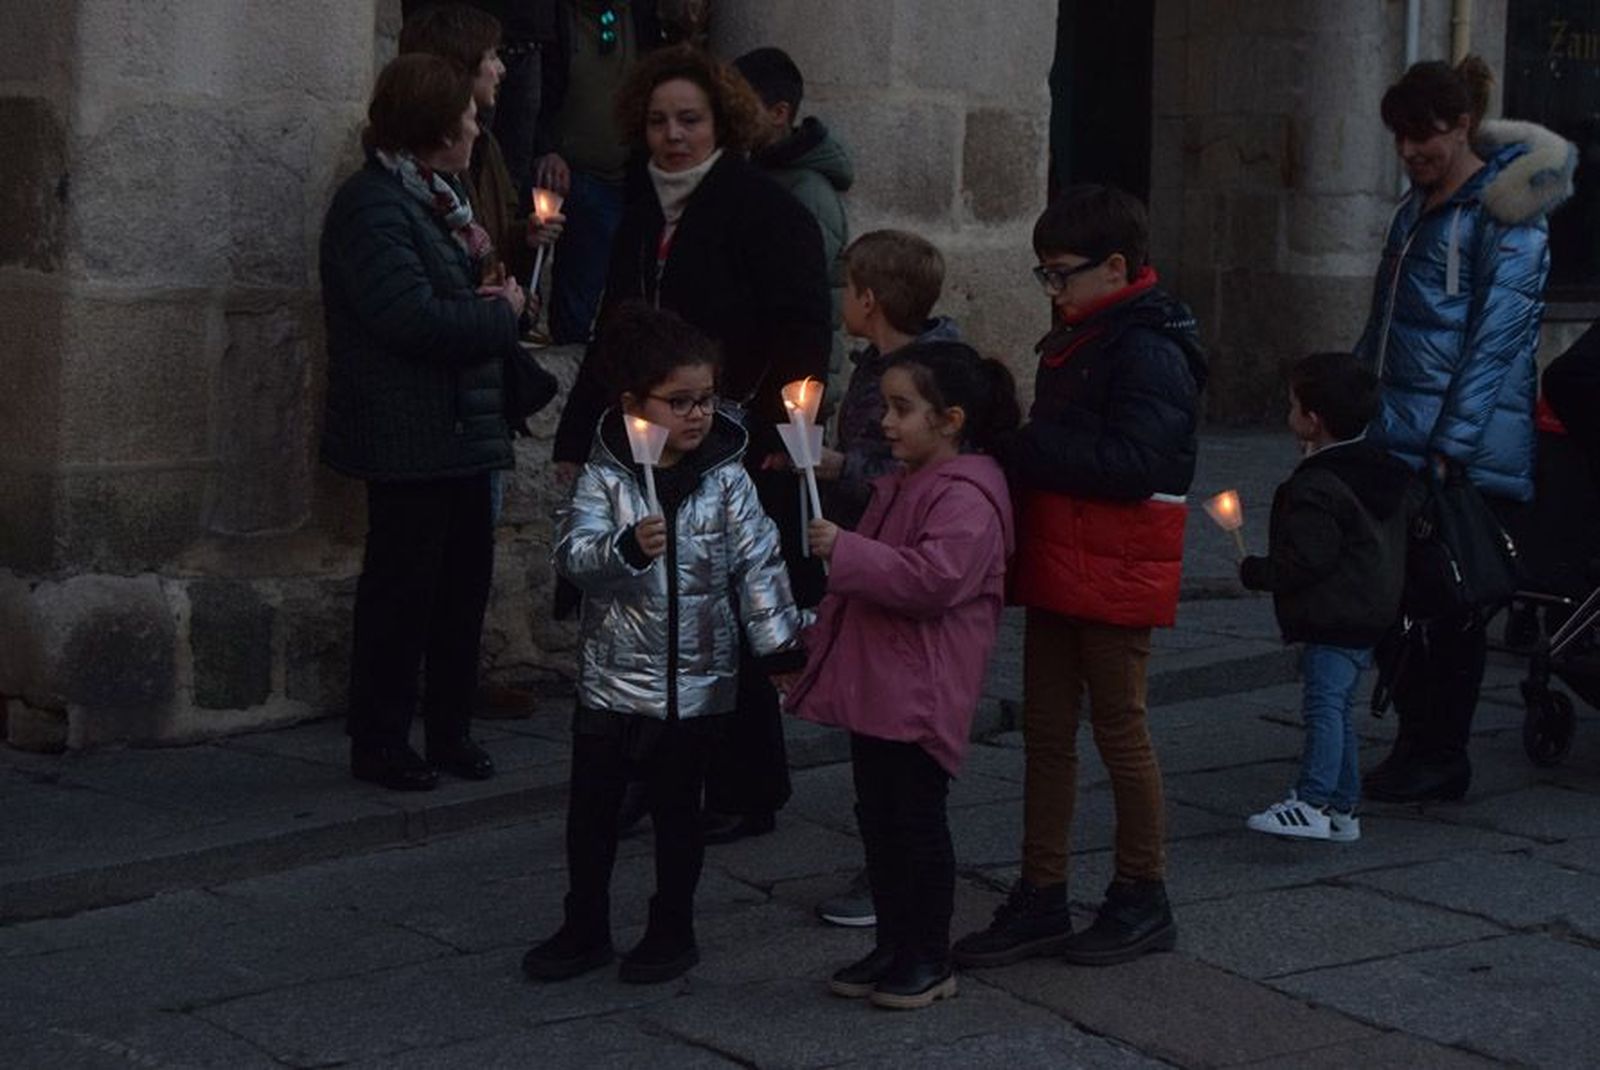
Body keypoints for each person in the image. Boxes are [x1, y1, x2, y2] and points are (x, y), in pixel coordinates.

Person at [551, 44, 832, 845]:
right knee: (645, 613)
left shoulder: (766, 210)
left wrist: (785, 433)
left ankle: (746, 785)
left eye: (689, 120)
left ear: (721, 124)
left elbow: (804, 329)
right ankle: (652, 770)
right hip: (648, 445)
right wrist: (579, 437)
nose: (672, 135)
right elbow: (617, 330)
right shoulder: (641, 211)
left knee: (732, 619)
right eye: (658, 121)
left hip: (734, 443)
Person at [955, 184, 1205, 968]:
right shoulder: (1086, 331)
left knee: (1120, 728)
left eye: (1061, 273)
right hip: (1066, 553)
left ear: (1118, 267)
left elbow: (1141, 464)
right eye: (1046, 275)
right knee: (1047, 731)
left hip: (1117, 558)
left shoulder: (1149, 344)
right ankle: (1041, 892)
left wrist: (1024, 447)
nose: (1053, 289)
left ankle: (1142, 892)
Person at [522, 303, 805, 984]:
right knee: (592, 811)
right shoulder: (605, 477)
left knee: (680, 813)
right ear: (633, 404)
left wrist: (779, 650)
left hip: (699, 680)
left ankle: (671, 924)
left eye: (705, 400)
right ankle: (584, 921)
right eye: (678, 402)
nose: (696, 415)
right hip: (615, 679)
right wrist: (624, 549)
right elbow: (573, 556)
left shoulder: (728, 478)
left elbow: (758, 566)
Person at [1354, 57, 1576, 804]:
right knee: (1394, 596)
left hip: (1462, 450)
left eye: (1424, 136)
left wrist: (1451, 445)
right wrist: (1352, 402)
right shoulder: (1415, 208)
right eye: (1400, 138)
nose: (1411, 151)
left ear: (1460, 127)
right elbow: (1384, 322)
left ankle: (1437, 753)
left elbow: (1498, 342)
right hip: (1398, 430)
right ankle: (1421, 743)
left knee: (1448, 605)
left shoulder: (1509, 217)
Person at [786, 340, 1018, 1009]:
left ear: (951, 419)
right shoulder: (908, 482)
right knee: (879, 819)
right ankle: (893, 942)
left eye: (902, 408)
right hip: (884, 684)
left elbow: (934, 581)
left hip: (920, 690)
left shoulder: (969, 496)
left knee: (915, 823)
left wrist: (847, 549)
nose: (887, 423)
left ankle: (928, 953)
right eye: (886, 406)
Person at [320, 54, 529, 791]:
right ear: (439, 129)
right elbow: (405, 318)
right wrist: (499, 316)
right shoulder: (373, 207)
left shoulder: (438, 200)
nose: (479, 126)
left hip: (461, 431)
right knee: (401, 597)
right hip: (409, 435)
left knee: (460, 592)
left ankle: (448, 731)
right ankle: (380, 740)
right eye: (470, 117)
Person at [809, 229, 958, 930]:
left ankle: (898, 889)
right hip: (863, 556)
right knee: (871, 730)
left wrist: (842, 470)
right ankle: (888, 873)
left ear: (868, 299)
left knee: (901, 741)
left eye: (848, 288)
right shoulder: (873, 364)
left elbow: (922, 478)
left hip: (896, 561)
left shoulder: (930, 375)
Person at [1239, 353, 1418, 841]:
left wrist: (1258, 572)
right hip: (1370, 608)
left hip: (1333, 611)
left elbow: (1307, 560)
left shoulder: (1318, 485)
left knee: (1324, 706)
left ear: (1313, 422)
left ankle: (1313, 801)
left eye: (1294, 405)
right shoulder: (1380, 470)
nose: (1289, 413)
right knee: (1336, 706)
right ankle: (1342, 807)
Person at [399, 3, 563, 293]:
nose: (501, 69)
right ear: (460, 66)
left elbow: (492, 242)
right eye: (492, 56)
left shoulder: (487, 147)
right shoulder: (413, 166)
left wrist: (527, 235)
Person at [534, 0, 665, 343]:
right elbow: (537, 90)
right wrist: (546, 147)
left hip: (622, 177)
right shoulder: (557, 17)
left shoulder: (640, 17)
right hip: (566, 175)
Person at [733, 46, 855, 405]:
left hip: (788, 389)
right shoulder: (759, 176)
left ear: (779, 113)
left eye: (740, 104)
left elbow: (793, 293)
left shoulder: (807, 191)